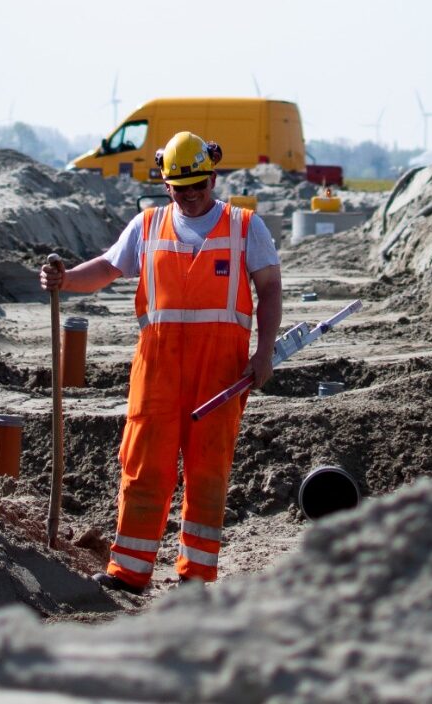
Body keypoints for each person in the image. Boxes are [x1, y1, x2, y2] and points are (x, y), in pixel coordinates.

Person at [40, 130, 282, 593]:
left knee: (207, 472)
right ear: (166, 183)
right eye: (180, 188)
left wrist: (264, 351)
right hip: (157, 371)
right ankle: (129, 572)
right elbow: (108, 269)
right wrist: (65, 280)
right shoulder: (147, 226)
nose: (190, 197)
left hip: (220, 372)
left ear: (212, 178)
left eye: (198, 186)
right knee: (143, 465)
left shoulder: (246, 227)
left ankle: (196, 577)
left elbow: (269, 289)